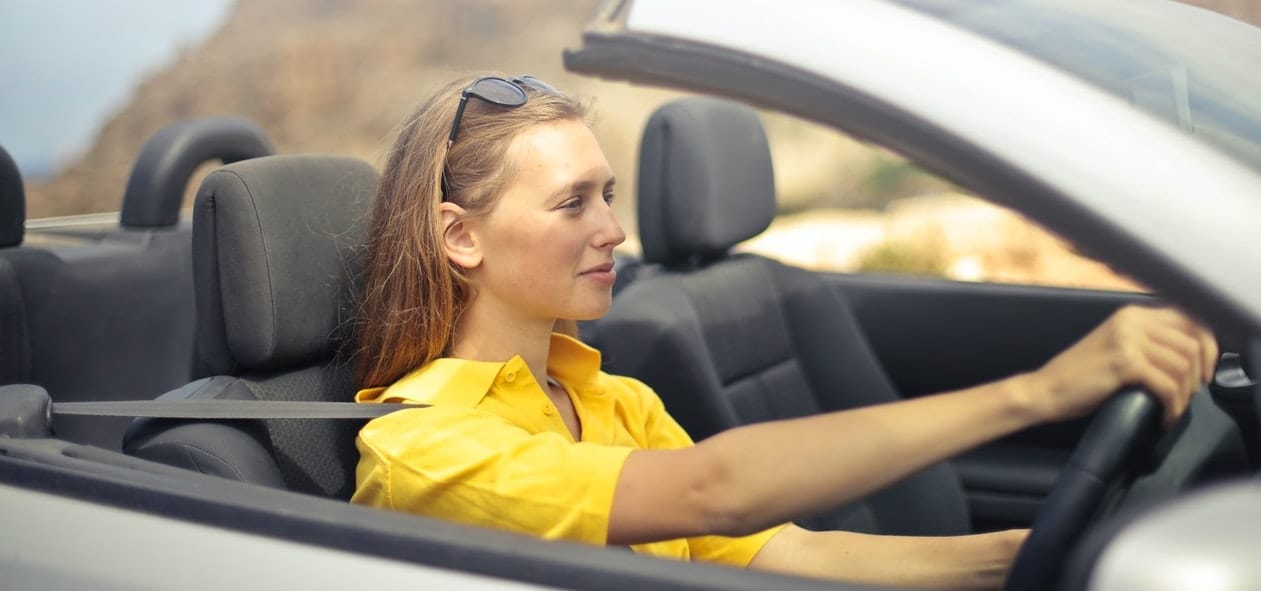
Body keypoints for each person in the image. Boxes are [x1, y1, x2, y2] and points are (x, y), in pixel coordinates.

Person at [349, 74, 1217, 590]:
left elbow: (784, 550)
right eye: (572, 202)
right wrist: (1035, 393)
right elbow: (711, 491)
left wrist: (1047, 553)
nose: (612, 229)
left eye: (607, 195)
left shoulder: (611, 399)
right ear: (460, 235)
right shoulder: (424, 446)